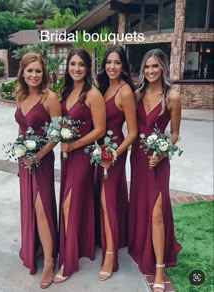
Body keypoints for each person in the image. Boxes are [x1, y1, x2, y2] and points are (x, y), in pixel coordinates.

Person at [128, 49, 182, 292]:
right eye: (146, 67)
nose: (150, 71)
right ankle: (141, 246)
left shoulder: (172, 96)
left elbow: (175, 135)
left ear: (163, 68)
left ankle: (160, 267)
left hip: (159, 161)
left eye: (155, 67)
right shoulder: (138, 94)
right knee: (142, 205)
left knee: (157, 212)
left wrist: (161, 154)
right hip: (138, 158)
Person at [53, 48, 106, 283]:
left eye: (81, 65)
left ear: (88, 68)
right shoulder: (63, 91)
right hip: (66, 156)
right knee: (72, 202)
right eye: (72, 64)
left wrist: (74, 145)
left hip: (83, 155)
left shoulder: (93, 94)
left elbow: (100, 130)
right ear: (68, 66)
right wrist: (59, 133)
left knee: (68, 205)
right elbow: (56, 120)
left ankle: (68, 260)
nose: (76, 69)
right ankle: (76, 244)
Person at [15, 52, 61, 289]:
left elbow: (56, 133)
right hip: (25, 161)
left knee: (41, 208)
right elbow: (21, 130)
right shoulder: (20, 95)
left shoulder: (49, 98)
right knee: (30, 207)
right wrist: (20, 155)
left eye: (38, 71)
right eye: (29, 70)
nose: (34, 75)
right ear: (22, 72)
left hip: (42, 160)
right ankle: (40, 245)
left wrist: (39, 155)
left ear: (43, 74)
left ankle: (50, 261)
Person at [96, 46, 137, 280]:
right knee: (101, 199)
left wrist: (114, 156)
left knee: (107, 201)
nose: (112, 67)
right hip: (97, 150)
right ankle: (104, 240)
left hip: (115, 151)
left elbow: (132, 133)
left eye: (117, 62)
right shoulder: (101, 87)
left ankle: (111, 255)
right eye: (109, 62)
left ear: (123, 66)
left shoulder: (125, 92)